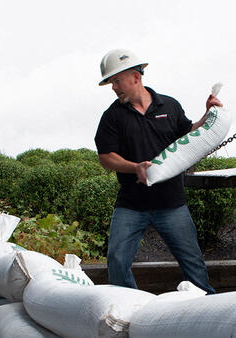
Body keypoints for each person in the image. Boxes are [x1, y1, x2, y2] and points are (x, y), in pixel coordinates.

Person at [94, 48, 220, 293]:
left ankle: (206, 309)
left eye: (117, 81)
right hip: (131, 204)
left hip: (171, 203)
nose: (114, 88)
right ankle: (129, 309)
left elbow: (190, 134)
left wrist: (209, 113)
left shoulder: (170, 106)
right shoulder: (112, 116)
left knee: (193, 263)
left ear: (135, 77)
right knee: (117, 260)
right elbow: (106, 157)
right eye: (111, 82)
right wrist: (134, 167)